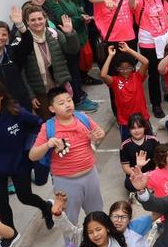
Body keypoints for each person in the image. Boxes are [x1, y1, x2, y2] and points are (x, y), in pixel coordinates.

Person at [0, 79, 53, 231]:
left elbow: (39, 123)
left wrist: (34, 144)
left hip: (19, 164)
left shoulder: (16, 112)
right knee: (1, 203)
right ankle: (10, 233)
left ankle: (45, 207)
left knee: (25, 197)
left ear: (1, 96)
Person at [27, 87, 108, 225]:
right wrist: (48, 144)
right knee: (70, 222)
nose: (67, 104)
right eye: (61, 103)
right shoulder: (48, 127)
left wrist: (99, 136)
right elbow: (32, 156)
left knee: (97, 216)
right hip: (65, 182)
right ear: (52, 109)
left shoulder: (83, 117)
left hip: (91, 175)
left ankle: (97, 245)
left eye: (69, 100)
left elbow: (99, 133)